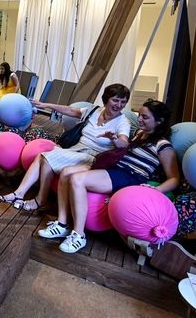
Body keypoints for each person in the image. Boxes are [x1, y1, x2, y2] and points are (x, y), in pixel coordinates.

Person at [39, 99, 180, 254]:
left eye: (145, 117)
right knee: (66, 172)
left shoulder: (163, 145)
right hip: (115, 169)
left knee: (77, 179)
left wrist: (157, 189)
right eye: (139, 115)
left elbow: (174, 178)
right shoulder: (140, 134)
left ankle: (79, 235)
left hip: (129, 177)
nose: (139, 119)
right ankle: (62, 224)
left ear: (159, 121)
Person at [0, 83, 131, 211]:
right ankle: (20, 193)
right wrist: (47, 105)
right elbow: (71, 110)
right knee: (41, 157)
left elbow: (124, 143)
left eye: (123, 102)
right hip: (76, 149)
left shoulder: (123, 122)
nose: (119, 105)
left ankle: (39, 199)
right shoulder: (94, 110)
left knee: (45, 157)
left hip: (94, 156)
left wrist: (114, 139)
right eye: (115, 100)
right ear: (106, 99)